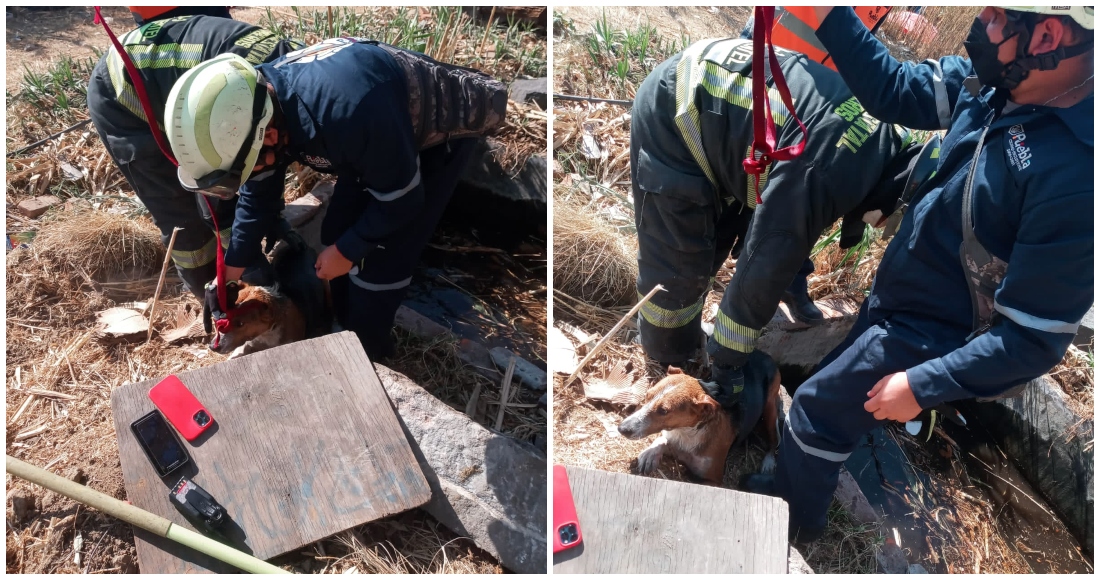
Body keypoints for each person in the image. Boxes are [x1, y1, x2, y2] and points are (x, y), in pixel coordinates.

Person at [742, 6, 1094, 544]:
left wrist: (922, 385)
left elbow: (1031, 339)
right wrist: (832, 15)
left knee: (815, 409)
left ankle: (795, 523)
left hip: (934, 333)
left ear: (1046, 34)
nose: (980, 24)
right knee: (834, 391)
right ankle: (805, 478)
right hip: (903, 293)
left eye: (995, 16)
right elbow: (895, 89)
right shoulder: (998, 80)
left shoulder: (1077, 178)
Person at [630, 35, 931, 411]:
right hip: (678, 114)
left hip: (728, 129)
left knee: (712, 248)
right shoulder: (831, 168)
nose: (880, 227)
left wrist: (793, 278)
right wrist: (727, 363)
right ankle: (666, 360)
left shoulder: (881, 138)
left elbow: (796, 215)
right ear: (897, 199)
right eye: (889, 223)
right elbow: (768, 257)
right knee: (679, 269)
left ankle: (684, 346)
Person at [163, 38, 504, 359]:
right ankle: (343, 322)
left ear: (269, 136)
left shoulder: (348, 113)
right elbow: (258, 196)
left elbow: (402, 199)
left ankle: (369, 351)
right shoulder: (259, 109)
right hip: (372, 133)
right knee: (336, 233)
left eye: (243, 172)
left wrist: (349, 251)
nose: (244, 180)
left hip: (435, 133)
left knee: (382, 263)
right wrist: (230, 268)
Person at [87, 7, 304, 298]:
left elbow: (267, 163)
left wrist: (270, 217)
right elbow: (219, 190)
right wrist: (244, 268)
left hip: (174, 78)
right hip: (124, 92)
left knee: (249, 165)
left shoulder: (290, 87)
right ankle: (207, 291)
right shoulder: (250, 99)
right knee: (183, 213)